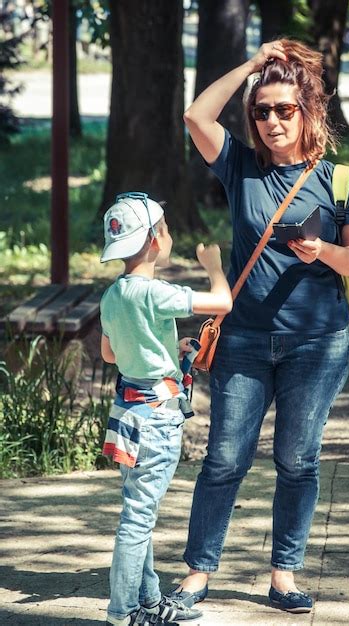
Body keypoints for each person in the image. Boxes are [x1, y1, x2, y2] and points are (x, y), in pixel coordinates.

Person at [170, 39, 349, 614]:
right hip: (245, 340)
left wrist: (324, 252)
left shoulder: (340, 181)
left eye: (285, 109)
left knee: (298, 460)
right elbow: (195, 115)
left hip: (317, 342)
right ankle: (196, 574)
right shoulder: (240, 166)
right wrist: (254, 67)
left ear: (308, 113)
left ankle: (284, 576)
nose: (273, 121)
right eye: (263, 111)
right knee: (225, 460)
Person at [100, 191, 232, 626]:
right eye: (166, 228)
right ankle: (123, 613)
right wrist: (214, 269)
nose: (169, 234)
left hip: (126, 413)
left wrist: (166, 348)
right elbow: (222, 303)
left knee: (139, 508)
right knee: (138, 518)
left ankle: (149, 601)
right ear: (155, 240)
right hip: (157, 418)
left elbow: (111, 354)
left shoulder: (113, 295)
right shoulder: (156, 292)